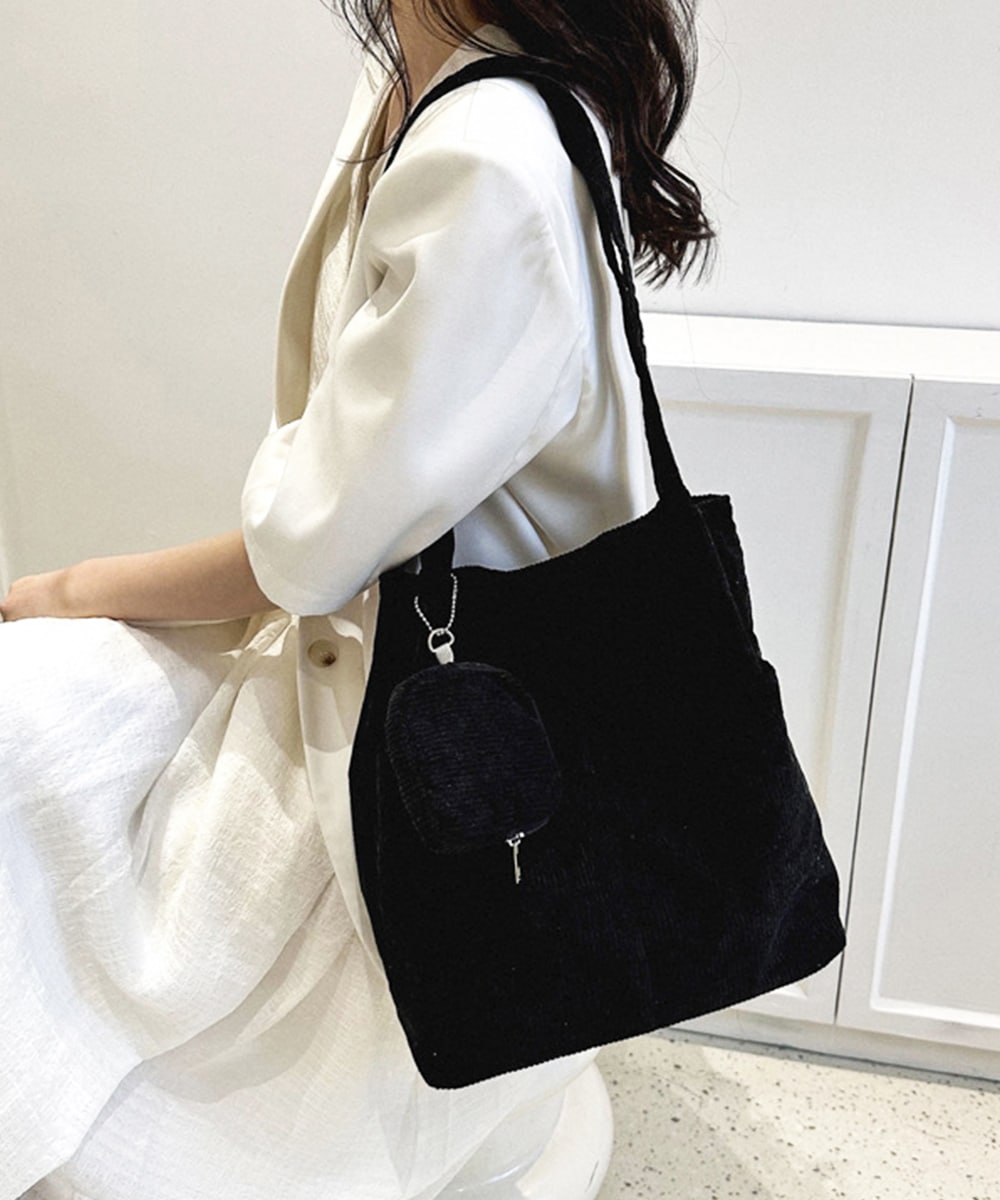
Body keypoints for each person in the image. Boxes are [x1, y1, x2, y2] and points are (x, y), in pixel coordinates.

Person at [0, 1, 714, 1196]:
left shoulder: (486, 154)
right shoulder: (431, 91)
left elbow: (313, 544)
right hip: (366, 652)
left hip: (416, 714)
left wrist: (65, 588)